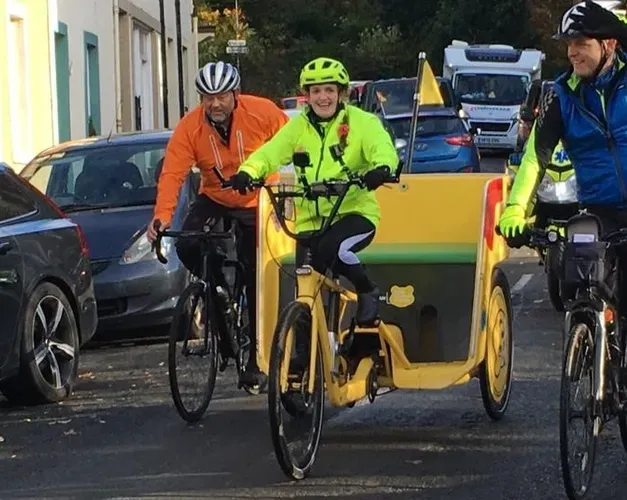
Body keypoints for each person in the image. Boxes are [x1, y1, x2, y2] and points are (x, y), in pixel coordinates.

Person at [147, 61, 289, 389]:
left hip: (258, 198)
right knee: (186, 243)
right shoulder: (190, 127)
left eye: (222, 95)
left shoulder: (262, 112)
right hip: (215, 196)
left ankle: (257, 357)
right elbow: (172, 174)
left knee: (257, 276)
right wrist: (161, 218)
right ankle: (218, 291)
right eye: (208, 97)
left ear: (235, 94)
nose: (215, 103)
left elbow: (295, 142)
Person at [228, 57, 399, 326]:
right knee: (305, 289)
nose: (323, 97)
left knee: (334, 248)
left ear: (341, 93)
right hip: (310, 222)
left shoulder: (362, 123)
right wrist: (248, 171)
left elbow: (383, 149)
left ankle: (367, 289)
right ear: (306, 96)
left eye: (329, 90)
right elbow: (270, 153)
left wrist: (381, 168)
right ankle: (302, 354)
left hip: (353, 213)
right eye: (316, 91)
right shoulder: (298, 127)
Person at [498, 1, 627, 311]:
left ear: (608, 44)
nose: (572, 52)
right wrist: (515, 209)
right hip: (598, 209)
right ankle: (587, 343)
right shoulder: (559, 95)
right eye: (569, 44)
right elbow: (535, 158)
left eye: (581, 43)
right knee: (581, 284)